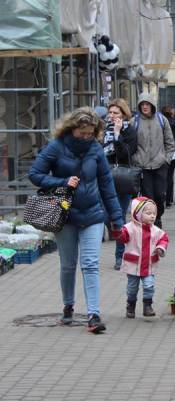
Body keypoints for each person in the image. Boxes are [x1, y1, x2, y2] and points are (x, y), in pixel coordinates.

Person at [28, 107, 123, 334]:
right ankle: (68, 306)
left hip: (92, 214)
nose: (86, 137)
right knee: (68, 265)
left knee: (90, 264)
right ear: (72, 129)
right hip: (65, 214)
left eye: (91, 133)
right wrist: (61, 181)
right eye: (83, 133)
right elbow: (34, 174)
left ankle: (93, 314)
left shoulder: (95, 150)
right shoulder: (56, 147)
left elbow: (107, 184)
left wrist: (117, 218)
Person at [117, 197, 169, 319]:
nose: (152, 216)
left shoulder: (156, 231)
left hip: (149, 264)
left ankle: (148, 306)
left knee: (149, 285)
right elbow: (122, 238)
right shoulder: (129, 228)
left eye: (154, 213)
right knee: (132, 288)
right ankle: (130, 306)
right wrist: (118, 232)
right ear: (138, 214)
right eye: (148, 213)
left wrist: (161, 248)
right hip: (133, 265)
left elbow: (164, 239)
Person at [103, 98, 138, 271]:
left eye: (116, 113)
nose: (111, 116)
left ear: (123, 115)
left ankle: (120, 255)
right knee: (103, 215)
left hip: (120, 179)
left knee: (119, 218)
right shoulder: (101, 130)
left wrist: (117, 135)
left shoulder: (129, 131)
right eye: (110, 112)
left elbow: (126, 154)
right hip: (102, 177)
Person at [132, 93, 175, 228]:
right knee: (148, 197)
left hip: (160, 164)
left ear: (152, 105)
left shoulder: (162, 120)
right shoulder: (135, 122)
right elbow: (131, 144)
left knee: (160, 195)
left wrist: (166, 160)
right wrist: (136, 160)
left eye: (147, 104)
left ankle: (158, 216)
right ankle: (152, 222)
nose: (145, 107)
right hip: (143, 166)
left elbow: (170, 142)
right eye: (142, 104)